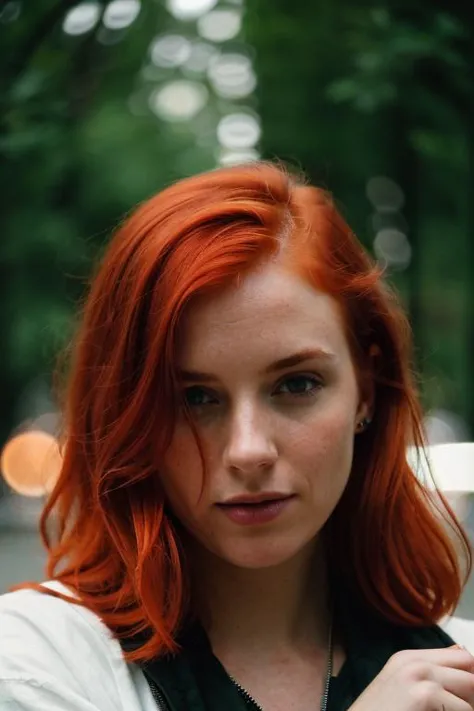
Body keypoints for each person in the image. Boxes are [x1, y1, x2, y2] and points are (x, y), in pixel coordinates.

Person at [0, 161, 474, 711]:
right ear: (130, 413)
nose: (248, 450)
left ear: (365, 390)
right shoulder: (38, 664)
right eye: (195, 398)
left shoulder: (455, 669)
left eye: (296, 384)